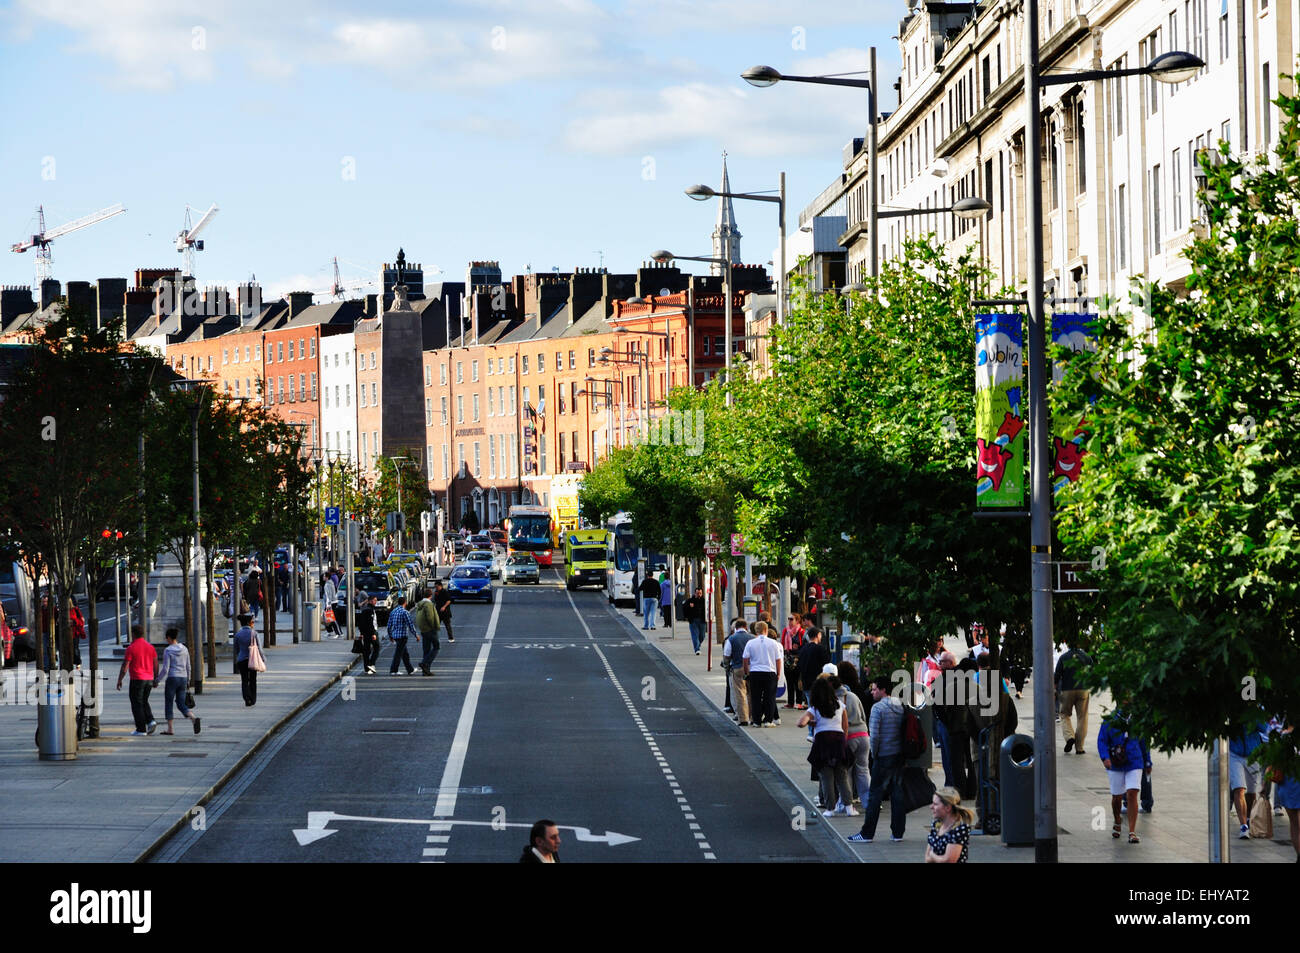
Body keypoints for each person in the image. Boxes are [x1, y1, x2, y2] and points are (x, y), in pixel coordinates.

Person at [849, 676, 908, 843]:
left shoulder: (878, 708)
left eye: (875, 689)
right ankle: (897, 833)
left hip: (883, 756)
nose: (872, 692)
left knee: (875, 795)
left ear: (883, 690)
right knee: (897, 794)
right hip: (898, 755)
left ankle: (867, 833)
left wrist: (874, 755)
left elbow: (874, 736)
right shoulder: (900, 705)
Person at [800, 671, 855, 815]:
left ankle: (830, 809)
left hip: (822, 742)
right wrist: (844, 743)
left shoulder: (815, 708)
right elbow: (845, 727)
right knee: (842, 776)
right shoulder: (840, 705)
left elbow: (801, 723)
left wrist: (812, 722)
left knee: (826, 777)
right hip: (838, 741)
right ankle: (849, 807)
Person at [1098, 709, 1151, 844]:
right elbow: (1102, 740)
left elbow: (1144, 742)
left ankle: (1132, 832)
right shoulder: (1110, 719)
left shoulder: (1138, 719)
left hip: (1134, 761)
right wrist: (1105, 758)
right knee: (1116, 797)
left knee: (1132, 793)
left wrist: (1147, 761)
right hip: (1116, 762)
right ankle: (1117, 820)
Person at [154, 627, 199, 735]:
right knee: (180, 703)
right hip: (183, 678)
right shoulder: (184, 649)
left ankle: (170, 729)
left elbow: (165, 668)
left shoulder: (168, 650)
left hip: (172, 678)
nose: (166, 640)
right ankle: (193, 717)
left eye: (166, 638)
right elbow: (188, 666)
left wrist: (157, 680)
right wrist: (188, 680)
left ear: (169, 638)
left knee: (169, 703)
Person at [1229, 717, 1268, 838]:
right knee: (1239, 789)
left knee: (1251, 793)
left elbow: (1265, 728)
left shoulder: (1254, 714)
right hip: (1235, 754)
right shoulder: (1232, 711)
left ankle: (1248, 819)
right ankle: (1243, 826)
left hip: (1253, 755)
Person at [838, 661, 870, 808]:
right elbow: (863, 715)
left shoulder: (838, 699)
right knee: (863, 770)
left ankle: (847, 801)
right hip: (863, 734)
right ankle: (868, 802)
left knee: (847, 771)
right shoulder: (855, 694)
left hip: (849, 735)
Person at [116, 624, 157, 735]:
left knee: (136, 703)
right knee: (144, 701)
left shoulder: (131, 648)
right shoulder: (150, 647)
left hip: (137, 679)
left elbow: (125, 666)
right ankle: (151, 721)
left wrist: (120, 680)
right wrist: (155, 678)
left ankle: (141, 729)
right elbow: (156, 664)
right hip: (149, 678)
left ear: (133, 634)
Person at [742, 620, 782, 727]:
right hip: (769, 672)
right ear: (766, 630)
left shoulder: (750, 643)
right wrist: (778, 673)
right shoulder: (773, 643)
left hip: (755, 672)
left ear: (756, 630)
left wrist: (747, 672)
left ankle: (756, 721)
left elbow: (745, 658)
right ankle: (768, 720)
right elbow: (778, 659)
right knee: (769, 697)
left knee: (755, 697)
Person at [1055, 641, 1093, 754]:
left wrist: (1054, 689)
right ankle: (1079, 748)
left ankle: (1070, 737)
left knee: (1064, 714)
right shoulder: (1086, 657)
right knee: (1082, 717)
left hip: (1067, 689)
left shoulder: (1063, 657)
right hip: (1083, 688)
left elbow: (1057, 675)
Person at [924, 788, 975, 863]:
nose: (931, 807)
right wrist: (938, 858)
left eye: (935, 804)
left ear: (947, 807)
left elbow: (949, 860)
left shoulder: (960, 829)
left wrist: (933, 856)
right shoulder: (936, 825)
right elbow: (927, 858)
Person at [722, 619, 753, 726]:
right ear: (746, 627)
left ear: (736, 628)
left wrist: (726, 667)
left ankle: (743, 718)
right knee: (751, 693)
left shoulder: (731, 638)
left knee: (740, 694)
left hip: (738, 668)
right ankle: (752, 716)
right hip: (751, 669)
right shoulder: (752, 638)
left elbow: (727, 655)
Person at [796, 627, 830, 718]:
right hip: (818, 682)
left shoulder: (803, 649)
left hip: (806, 682)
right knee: (818, 708)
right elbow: (826, 662)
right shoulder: (820, 649)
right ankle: (814, 729)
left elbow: (799, 665)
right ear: (817, 635)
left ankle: (811, 729)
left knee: (811, 707)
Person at [386, 593, 418, 676]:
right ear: (405, 603)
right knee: (398, 654)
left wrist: (390, 636)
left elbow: (389, 625)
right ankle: (393, 670)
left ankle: (410, 670)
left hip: (395, 635)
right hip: (403, 636)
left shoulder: (393, 611)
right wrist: (416, 635)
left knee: (404, 654)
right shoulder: (405, 612)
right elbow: (410, 624)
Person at [232, 613, 258, 706]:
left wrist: (239, 656)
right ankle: (253, 698)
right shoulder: (254, 633)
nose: (253, 623)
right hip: (253, 660)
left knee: (244, 680)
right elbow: (259, 648)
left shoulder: (238, 634)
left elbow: (236, 649)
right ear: (249, 623)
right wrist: (263, 659)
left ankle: (246, 698)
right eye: (252, 622)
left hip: (242, 660)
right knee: (253, 679)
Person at [414, 587, 441, 677]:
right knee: (436, 647)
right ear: (431, 595)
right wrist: (434, 626)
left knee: (426, 650)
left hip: (423, 629)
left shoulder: (420, 604)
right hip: (430, 629)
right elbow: (430, 617)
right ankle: (424, 663)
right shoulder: (428, 604)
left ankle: (426, 671)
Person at [357, 594, 381, 674]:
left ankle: (366, 668)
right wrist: (373, 633)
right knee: (377, 648)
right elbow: (370, 623)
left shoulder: (364, 609)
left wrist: (361, 633)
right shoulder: (370, 610)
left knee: (366, 651)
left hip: (365, 633)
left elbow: (360, 623)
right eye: (375, 600)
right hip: (371, 633)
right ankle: (371, 663)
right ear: (370, 601)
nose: (376, 602)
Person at [684, 586, 706, 655]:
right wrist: (689, 607)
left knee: (702, 636)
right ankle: (697, 649)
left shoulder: (704, 601)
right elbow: (684, 608)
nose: (699, 594)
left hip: (702, 620)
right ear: (695, 593)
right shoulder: (690, 600)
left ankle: (698, 644)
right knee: (695, 635)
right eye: (697, 593)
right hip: (693, 620)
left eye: (700, 593)